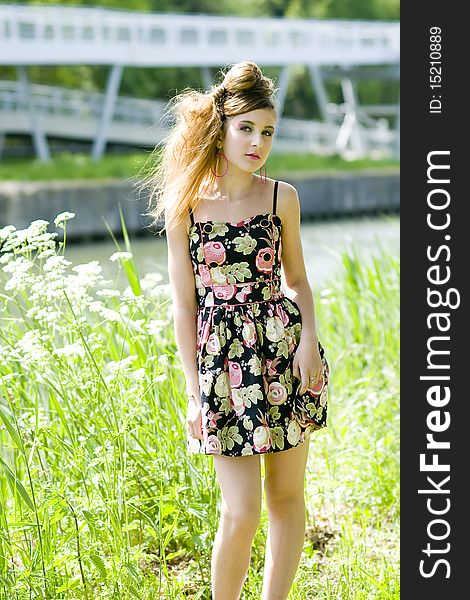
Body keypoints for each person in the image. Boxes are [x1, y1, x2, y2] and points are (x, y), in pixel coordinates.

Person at [145, 60, 330, 600]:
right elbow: (184, 305)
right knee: (240, 510)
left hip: (284, 356)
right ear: (222, 128)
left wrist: (310, 340)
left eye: (267, 131)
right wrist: (193, 392)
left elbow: (296, 280)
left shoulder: (281, 199)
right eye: (246, 128)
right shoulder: (187, 208)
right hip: (224, 368)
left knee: (287, 497)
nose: (258, 142)